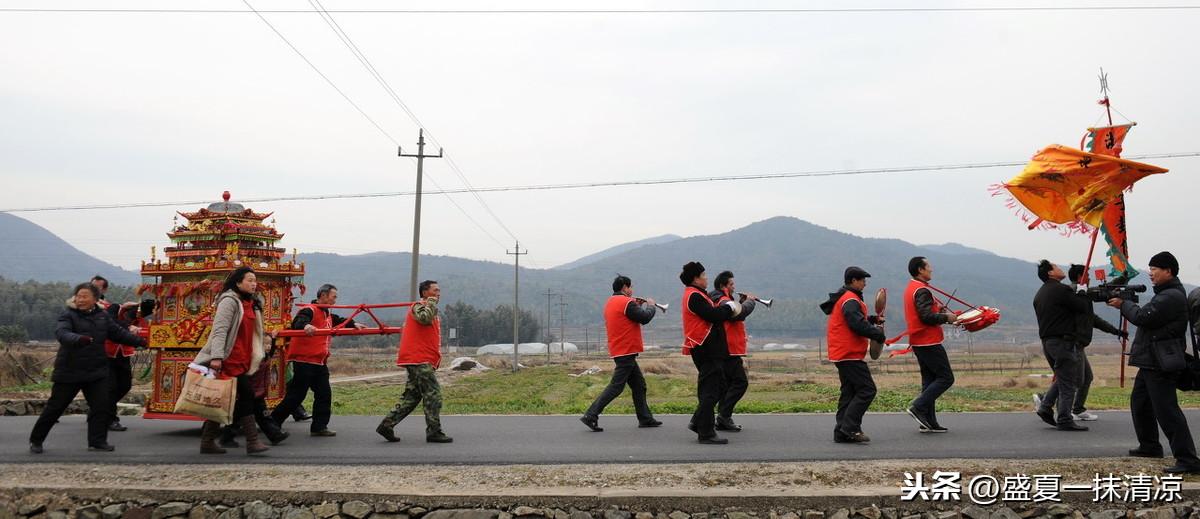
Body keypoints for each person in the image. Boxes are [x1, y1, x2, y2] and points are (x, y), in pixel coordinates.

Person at [1107, 251, 1200, 473]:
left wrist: (1123, 304)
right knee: (1140, 403)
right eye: (1150, 269)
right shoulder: (1166, 294)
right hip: (1151, 359)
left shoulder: (1171, 296)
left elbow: (1143, 317)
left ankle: (1188, 460)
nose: (1151, 273)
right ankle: (1149, 446)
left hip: (1160, 362)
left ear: (1168, 271)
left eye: (1155, 269)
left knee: (1167, 411)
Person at [28, 282, 146, 453]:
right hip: (70, 370)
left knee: (101, 407)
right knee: (55, 407)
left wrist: (141, 341)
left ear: (95, 299)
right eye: (78, 296)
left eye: (85, 296)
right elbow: (62, 333)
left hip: (96, 371)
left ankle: (97, 442)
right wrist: (78, 339)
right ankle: (36, 440)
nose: (80, 299)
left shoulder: (102, 316)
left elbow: (118, 333)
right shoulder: (68, 315)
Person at [192, 267, 279, 455]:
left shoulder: (251, 303)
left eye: (255, 280)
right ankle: (252, 441)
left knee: (223, 399)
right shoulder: (229, 301)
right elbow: (220, 330)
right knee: (247, 395)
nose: (254, 283)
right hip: (228, 358)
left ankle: (207, 442)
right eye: (249, 280)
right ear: (238, 282)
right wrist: (216, 357)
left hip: (243, 359)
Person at [1033, 264, 1126, 422]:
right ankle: (1059, 410)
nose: (1089, 277)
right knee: (1071, 379)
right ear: (1079, 277)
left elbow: (1093, 317)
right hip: (1069, 342)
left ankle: (1061, 406)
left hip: (1067, 342)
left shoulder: (1056, 291)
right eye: (1086, 274)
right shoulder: (1071, 291)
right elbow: (1097, 295)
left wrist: (1115, 331)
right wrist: (1123, 278)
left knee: (1080, 377)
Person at [270, 283, 366, 436]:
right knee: (296, 395)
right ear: (323, 296)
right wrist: (306, 326)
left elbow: (339, 320)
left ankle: (319, 427)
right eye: (333, 297)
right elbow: (298, 322)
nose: (335, 300)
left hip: (319, 362)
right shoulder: (309, 310)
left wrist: (354, 323)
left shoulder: (326, 313)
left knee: (324, 393)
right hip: (304, 360)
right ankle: (272, 423)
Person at [580, 275, 662, 431]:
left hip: (620, 349)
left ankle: (645, 418)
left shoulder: (611, 302)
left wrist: (635, 306)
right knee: (616, 386)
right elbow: (644, 318)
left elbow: (628, 317)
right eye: (630, 287)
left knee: (639, 385)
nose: (632, 291)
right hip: (626, 350)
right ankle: (591, 415)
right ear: (625, 287)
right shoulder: (626, 302)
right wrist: (650, 306)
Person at [377, 280, 453, 444]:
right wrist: (431, 302)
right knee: (433, 394)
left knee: (412, 397)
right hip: (419, 359)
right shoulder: (418, 306)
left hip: (419, 359)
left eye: (439, 291)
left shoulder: (428, 308)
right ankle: (434, 431)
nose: (438, 293)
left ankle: (387, 424)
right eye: (435, 290)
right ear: (425, 292)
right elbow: (424, 318)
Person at [820, 266, 887, 443]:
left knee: (849, 392)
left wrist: (871, 319)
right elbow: (856, 324)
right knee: (867, 389)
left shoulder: (846, 298)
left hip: (842, 353)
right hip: (848, 353)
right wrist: (876, 333)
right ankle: (851, 428)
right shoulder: (850, 299)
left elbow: (854, 318)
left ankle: (841, 431)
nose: (865, 283)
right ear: (853, 281)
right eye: (862, 279)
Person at [679, 261, 739, 444]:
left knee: (719, 386)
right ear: (695, 278)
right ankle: (706, 432)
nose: (706, 279)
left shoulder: (698, 294)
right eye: (704, 275)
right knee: (710, 391)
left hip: (711, 348)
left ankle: (698, 422)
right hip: (705, 348)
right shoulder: (694, 296)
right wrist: (729, 307)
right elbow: (713, 315)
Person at [1031, 260, 1093, 431]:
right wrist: (1082, 293)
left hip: (1048, 343)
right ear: (1050, 273)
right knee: (1069, 383)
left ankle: (1045, 405)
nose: (1060, 269)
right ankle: (1064, 418)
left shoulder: (1040, 293)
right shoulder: (1061, 289)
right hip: (1063, 342)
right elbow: (1082, 308)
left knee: (1065, 377)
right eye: (1056, 267)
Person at [902, 256, 958, 433]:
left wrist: (937, 312)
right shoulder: (921, 290)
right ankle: (917, 406)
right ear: (920, 270)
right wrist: (946, 318)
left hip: (918, 341)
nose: (931, 269)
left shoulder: (911, 288)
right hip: (929, 341)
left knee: (929, 381)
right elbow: (925, 317)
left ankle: (928, 421)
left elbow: (924, 312)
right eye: (928, 266)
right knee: (946, 378)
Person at [708, 271, 757, 432]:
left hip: (727, 348)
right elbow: (739, 315)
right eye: (731, 284)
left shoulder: (724, 300)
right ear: (723, 286)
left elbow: (735, 311)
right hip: (729, 348)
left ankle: (723, 418)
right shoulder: (722, 300)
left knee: (727, 384)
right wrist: (749, 302)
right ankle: (724, 416)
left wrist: (740, 302)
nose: (734, 287)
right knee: (740, 382)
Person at [105, 299, 155, 432]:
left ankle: (100, 410)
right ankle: (110, 419)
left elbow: (141, 333)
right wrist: (129, 327)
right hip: (108, 353)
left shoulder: (138, 320)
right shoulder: (115, 309)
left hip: (124, 353)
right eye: (137, 312)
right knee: (111, 387)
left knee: (125, 385)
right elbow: (114, 324)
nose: (138, 316)